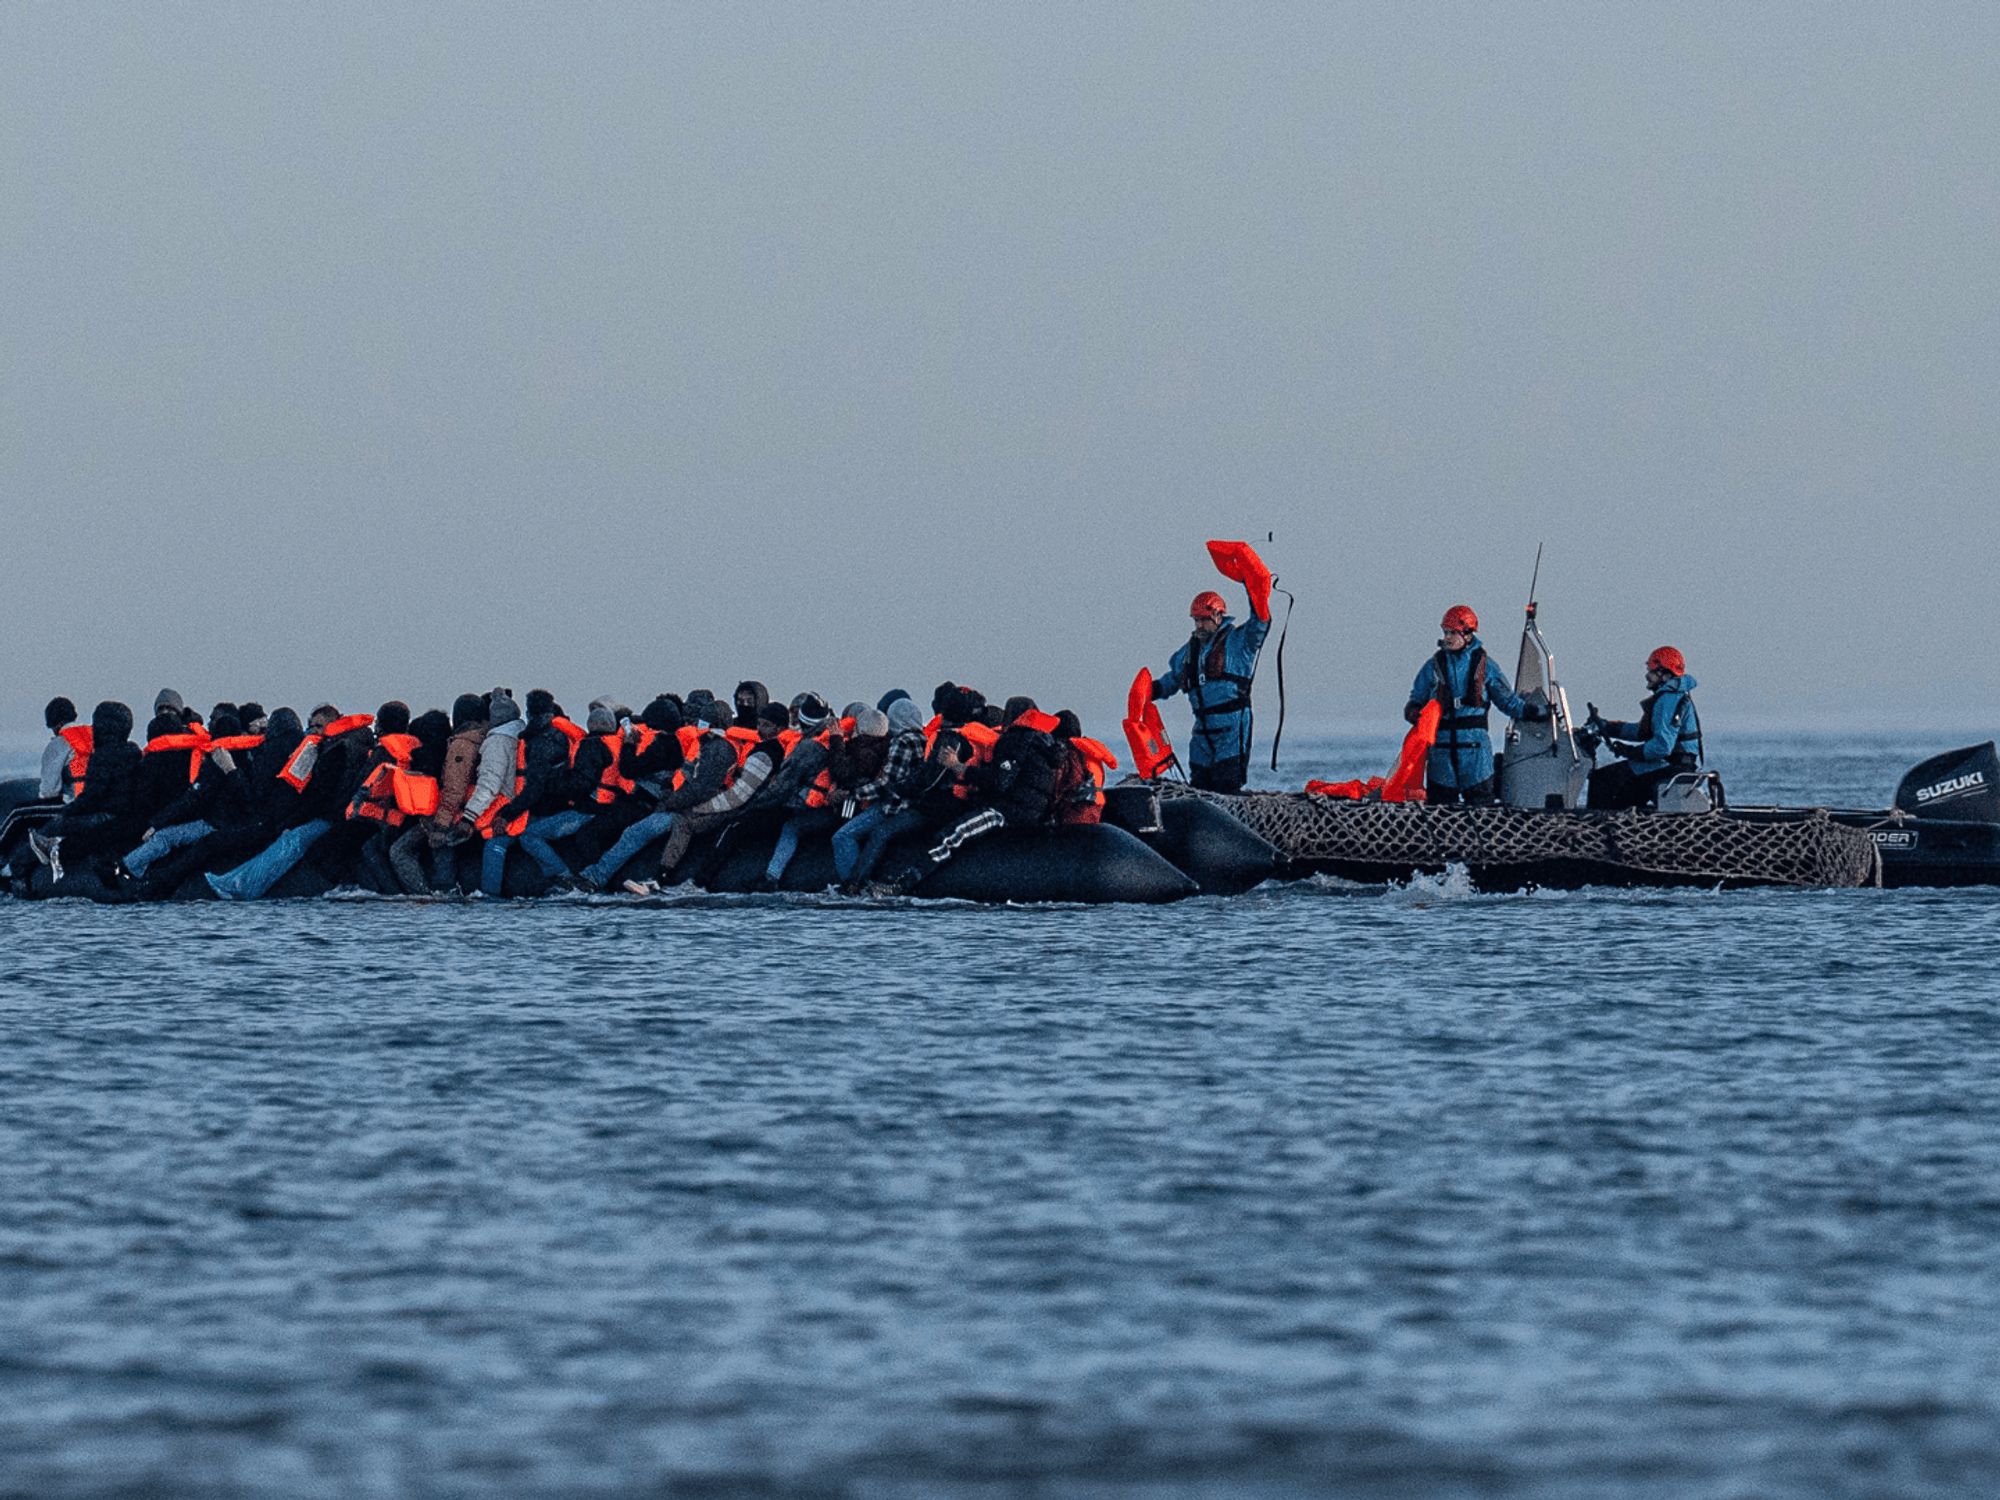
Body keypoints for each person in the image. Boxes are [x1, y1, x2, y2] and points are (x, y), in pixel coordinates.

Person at [1404, 605, 1539, 805]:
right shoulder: (1433, 666)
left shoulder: (1486, 666)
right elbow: (1417, 697)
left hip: (1475, 753)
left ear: (1467, 634)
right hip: (1441, 752)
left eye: (1452, 633)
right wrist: (1413, 710)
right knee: (1439, 809)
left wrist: (1531, 712)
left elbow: (1506, 700)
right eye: (1446, 632)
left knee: (1482, 805)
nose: (1447, 637)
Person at [1151, 584, 1271, 793]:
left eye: (1203, 620)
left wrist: (1254, 589)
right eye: (1196, 620)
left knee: (1227, 783)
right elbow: (1172, 680)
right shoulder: (1188, 652)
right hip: (1202, 731)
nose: (1199, 625)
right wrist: (1152, 690)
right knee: (1199, 784)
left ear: (1217, 616)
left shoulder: (1240, 643)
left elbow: (1259, 623)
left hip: (1231, 727)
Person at [28, 701, 141, 883]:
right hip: (127, 816)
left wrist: (69, 812)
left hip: (102, 814)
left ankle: (16, 871)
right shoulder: (134, 752)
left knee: (50, 826)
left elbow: (91, 795)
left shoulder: (100, 755)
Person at [830, 697, 931, 892]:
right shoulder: (924, 740)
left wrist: (852, 794)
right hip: (913, 806)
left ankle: (851, 884)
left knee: (843, 836)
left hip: (893, 806)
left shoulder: (901, 742)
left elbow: (888, 784)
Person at [1586, 648, 1703, 811]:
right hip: (1672, 764)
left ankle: (1595, 828)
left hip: (1671, 767)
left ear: (1663, 673)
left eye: (1651, 671)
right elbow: (1644, 732)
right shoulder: (1671, 696)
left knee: (1602, 779)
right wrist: (1609, 728)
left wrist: (1630, 752)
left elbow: (1662, 746)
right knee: (1620, 780)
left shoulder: (1668, 699)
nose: (1647, 675)